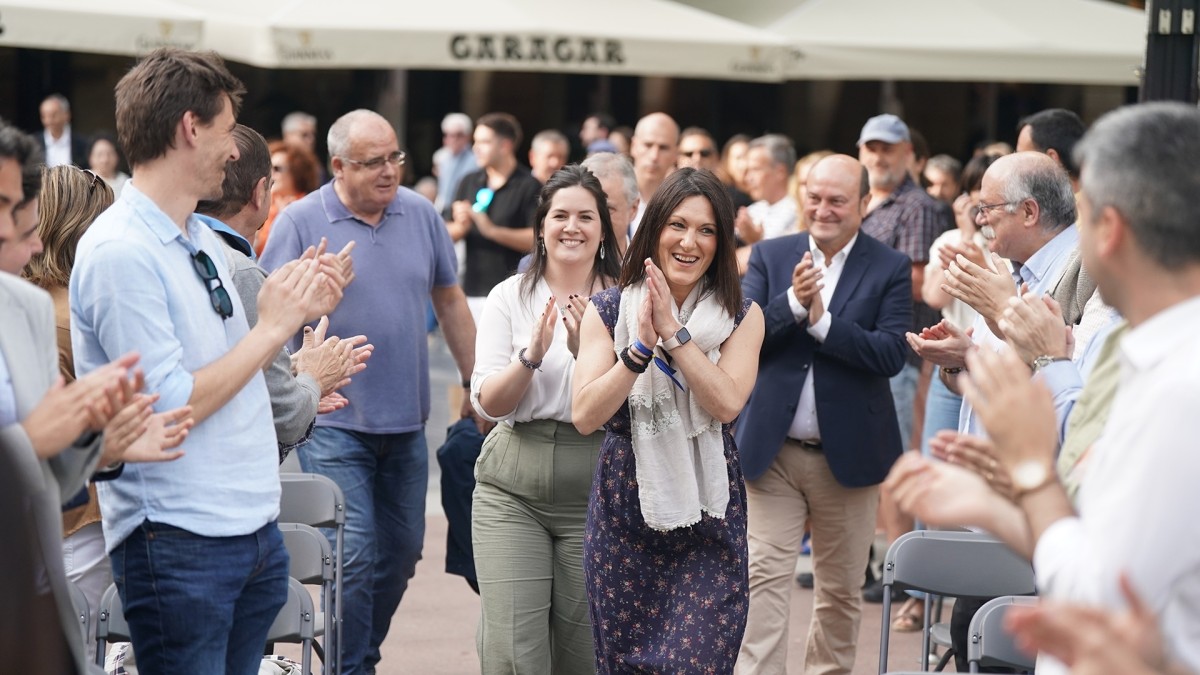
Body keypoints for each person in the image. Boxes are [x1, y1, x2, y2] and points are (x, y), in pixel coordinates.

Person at [887, 102, 1200, 675]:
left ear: (1113, 229)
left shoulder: (1178, 389)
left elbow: (1098, 584)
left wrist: (1029, 474)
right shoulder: (1153, 352)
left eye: (1087, 210)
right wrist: (991, 504)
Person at [71, 48, 343, 675]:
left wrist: (293, 313)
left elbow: (236, 372)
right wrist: (272, 327)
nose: (234, 151)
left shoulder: (199, 240)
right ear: (190, 128)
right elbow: (172, 404)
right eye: (225, 132)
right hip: (177, 540)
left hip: (246, 531)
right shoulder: (120, 251)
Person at [260, 108, 478, 675]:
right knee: (353, 556)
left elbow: (449, 299)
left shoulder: (422, 214)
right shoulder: (302, 221)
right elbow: (261, 317)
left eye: (395, 157)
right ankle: (350, 667)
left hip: (406, 423)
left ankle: (358, 654)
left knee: (402, 552)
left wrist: (474, 380)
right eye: (373, 162)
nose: (389, 171)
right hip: (333, 421)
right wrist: (310, 304)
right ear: (338, 165)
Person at [572, 167, 765, 672]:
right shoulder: (608, 308)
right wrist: (638, 349)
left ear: (721, 244)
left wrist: (674, 336)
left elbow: (726, 404)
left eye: (706, 231)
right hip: (625, 515)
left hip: (709, 519)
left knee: (696, 662)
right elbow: (586, 415)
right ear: (655, 229)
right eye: (678, 225)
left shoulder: (742, 316)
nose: (689, 242)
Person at [735, 155, 912, 674]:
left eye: (837, 200)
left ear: (864, 203)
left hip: (851, 456)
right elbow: (743, 339)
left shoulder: (889, 266)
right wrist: (792, 304)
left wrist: (824, 323)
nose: (824, 209)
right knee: (763, 578)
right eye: (814, 197)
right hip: (773, 453)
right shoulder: (769, 256)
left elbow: (890, 354)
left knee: (839, 591)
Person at [0, 122, 156, 675]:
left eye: (18, 208)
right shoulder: (65, 311)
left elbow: (59, 458)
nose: (22, 228)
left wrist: (96, 442)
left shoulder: (31, 307)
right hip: (75, 533)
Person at [471, 165, 622, 673]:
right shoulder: (509, 296)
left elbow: (637, 403)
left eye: (585, 216)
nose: (571, 227)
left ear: (603, 229)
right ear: (541, 227)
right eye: (560, 215)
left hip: (599, 486)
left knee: (582, 655)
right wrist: (530, 356)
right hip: (513, 485)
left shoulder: (630, 300)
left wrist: (588, 352)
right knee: (515, 649)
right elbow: (488, 403)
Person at [197, 124, 369, 458]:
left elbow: (228, 367)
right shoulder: (240, 270)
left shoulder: (183, 247)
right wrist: (313, 378)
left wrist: (290, 367)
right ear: (260, 192)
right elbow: (287, 415)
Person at [450, 112, 541, 320]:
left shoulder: (529, 185)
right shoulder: (469, 181)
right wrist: (459, 225)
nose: (476, 148)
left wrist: (491, 230)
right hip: (471, 292)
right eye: (475, 141)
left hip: (515, 294)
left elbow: (538, 239)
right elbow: (443, 233)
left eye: (484, 141)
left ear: (505, 145)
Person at [735, 134, 798, 272]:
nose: (747, 178)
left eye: (755, 169)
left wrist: (755, 242)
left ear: (780, 171)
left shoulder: (799, 211)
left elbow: (781, 262)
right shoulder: (752, 210)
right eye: (747, 171)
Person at [253, 139, 321, 257]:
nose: (271, 174)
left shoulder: (308, 208)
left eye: (277, 169)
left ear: (297, 173)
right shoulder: (261, 204)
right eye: (269, 168)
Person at [628, 112, 680, 235]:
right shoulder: (611, 194)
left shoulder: (681, 202)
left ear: (676, 153)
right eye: (648, 145)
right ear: (633, 146)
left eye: (663, 148)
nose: (654, 156)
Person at [580, 152, 639, 258]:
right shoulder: (553, 269)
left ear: (633, 210)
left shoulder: (649, 271)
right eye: (585, 210)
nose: (595, 218)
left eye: (607, 209)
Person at [434, 112, 476, 217]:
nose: (453, 140)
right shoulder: (440, 156)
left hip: (464, 210)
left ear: (468, 136)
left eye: (459, 135)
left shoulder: (476, 159)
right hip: (443, 207)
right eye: (450, 135)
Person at [39, 94, 89, 168]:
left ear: (66, 115)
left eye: (53, 115)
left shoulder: (82, 144)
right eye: (44, 116)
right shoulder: (34, 143)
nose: (49, 120)